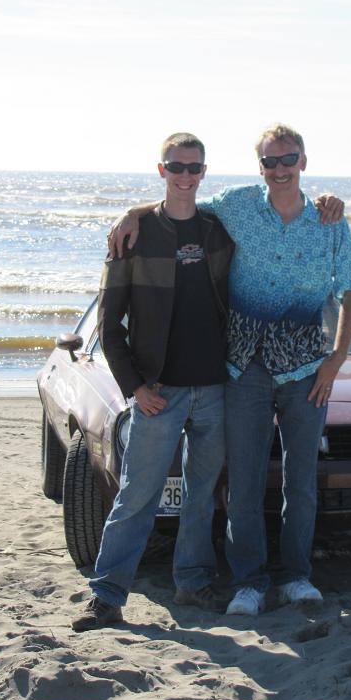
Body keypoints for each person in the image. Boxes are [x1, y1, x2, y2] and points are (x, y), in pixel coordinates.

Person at [109, 123, 351, 617]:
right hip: (243, 368)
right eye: (270, 162)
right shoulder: (238, 205)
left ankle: (295, 577)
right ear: (259, 167)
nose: (279, 169)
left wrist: (337, 358)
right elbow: (181, 206)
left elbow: (350, 291)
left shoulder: (330, 222)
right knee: (242, 482)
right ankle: (249, 581)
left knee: (300, 482)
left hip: (309, 369)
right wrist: (131, 212)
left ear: (303, 162)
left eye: (288, 160)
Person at [72, 132, 235, 632]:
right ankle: (107, 596)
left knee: (201, 494)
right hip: (157, 393)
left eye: (194, 167)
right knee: (137, 494)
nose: (185, 176)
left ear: (204, 172)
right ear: (160, 169)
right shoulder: (134, 237)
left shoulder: (218, 230)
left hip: (213, 390)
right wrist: (135, 387)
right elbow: (108, 322)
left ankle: (191, 581)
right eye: (175, 166)